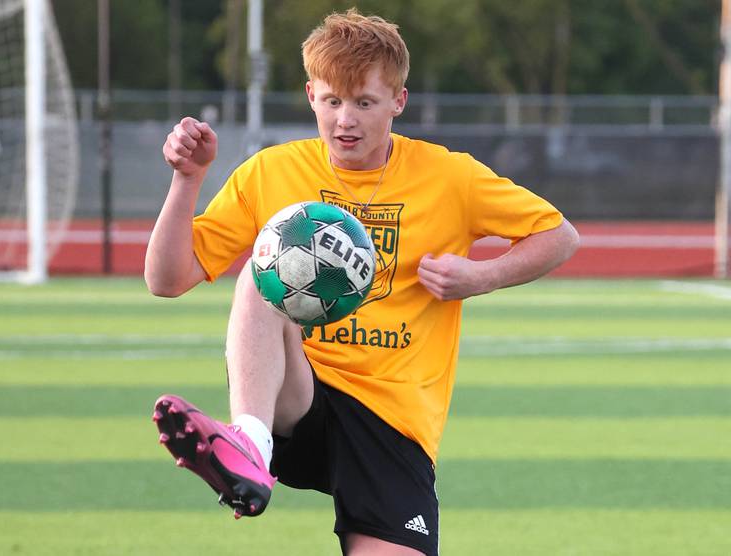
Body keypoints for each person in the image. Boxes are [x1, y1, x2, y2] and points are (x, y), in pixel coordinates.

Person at [145, 9, 579, 556]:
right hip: (299, 398)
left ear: (398, 101)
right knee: (267, 272)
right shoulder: (270, 172)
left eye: (364, 103)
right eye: (332, 101)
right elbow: (166, 279)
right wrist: (188, 179)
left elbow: (559, 235)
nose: (345, 120)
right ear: (310, 96)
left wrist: (481, 275)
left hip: (393, 422)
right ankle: (249, 447)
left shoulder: (450, 176)